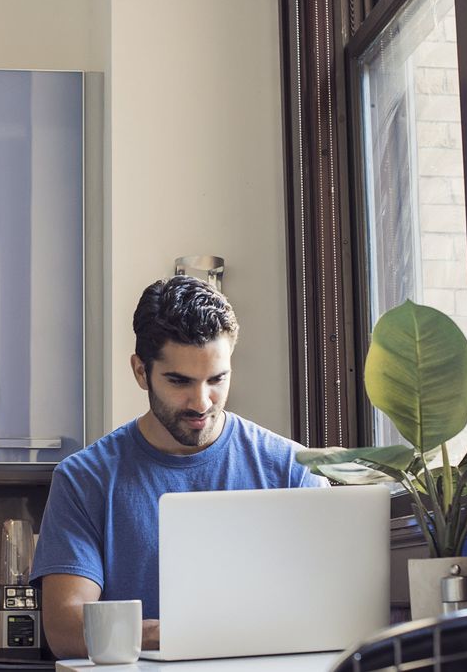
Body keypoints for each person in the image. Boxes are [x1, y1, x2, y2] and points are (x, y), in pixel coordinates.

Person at [29, 275, 324, 659]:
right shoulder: (85, 479)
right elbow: (66, 629)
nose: (201, 402)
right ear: (140, 372)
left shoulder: (292, 470)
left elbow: (325, 606)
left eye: (217, 379)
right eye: (179, 381)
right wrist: (172, 632)